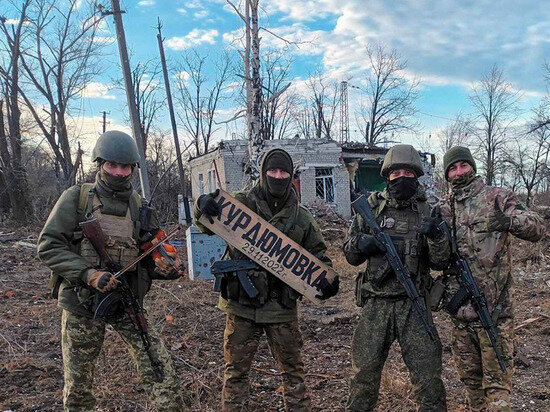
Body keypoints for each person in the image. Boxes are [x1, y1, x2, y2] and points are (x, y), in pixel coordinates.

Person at [37, 130, 186, 412]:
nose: (119, 172)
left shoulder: (140, 206)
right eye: (112, 165)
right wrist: (88, 274)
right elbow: (48, 246)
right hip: (81, 301)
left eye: (125, 166)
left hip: (126, 300)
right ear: (100, 163)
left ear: (133, 168)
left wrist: (166, 267)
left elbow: (151, 252)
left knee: (160, 371)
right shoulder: (77, 198)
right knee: (79, 386)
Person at [194, 148, 338, 412]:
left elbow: (319, 254)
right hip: (241, 306)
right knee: (235, 375)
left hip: (281, 308)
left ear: (291, 176)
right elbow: (205, 223)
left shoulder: (302, 217)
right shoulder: (240, 204)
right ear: (263, 172)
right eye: (273, 170)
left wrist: (326, 279)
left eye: (284, 172)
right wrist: (201, 205)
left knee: (293, 376)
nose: (278, 176)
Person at [344, 144, 448, 411]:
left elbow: (439, 263)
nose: (401, 177)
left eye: (408, 173)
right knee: (363, 378)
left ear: (416, 175)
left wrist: (436, 237)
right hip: (375, 305)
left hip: (414, 304)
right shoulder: (370, 208)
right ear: (387, 176)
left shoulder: (428, 211)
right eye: (395, 173)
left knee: (429, 380)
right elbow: (350, 256)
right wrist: (361, 243)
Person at [440, 146, 544, 412]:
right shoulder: (443, 209)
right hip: (460, 315)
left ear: (473, 167)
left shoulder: (498, 197)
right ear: (447, 174)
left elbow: (537, 227)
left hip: (494, 313)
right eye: (453, 168)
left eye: (464, 165)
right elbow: (436, 260)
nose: (459, 172)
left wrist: (509, 222)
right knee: (471, 385)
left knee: (497, 387)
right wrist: (433, 238)